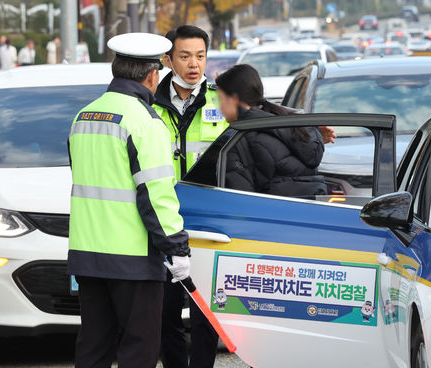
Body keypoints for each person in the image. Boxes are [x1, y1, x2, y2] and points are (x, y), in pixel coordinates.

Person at [68, 32, 190, 368]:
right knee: (139, 347)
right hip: (132, 258)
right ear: (153, 75)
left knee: (94, 344)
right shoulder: (145, 122)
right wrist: (176, 247)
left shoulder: (84, 116)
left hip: (88, 253)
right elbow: (156, 195)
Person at [153, 24, 225, 368]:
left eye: (200, 56)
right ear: (168, 59)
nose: (194, 64)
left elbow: (259, 113)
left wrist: (306, 128)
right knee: (165, 314)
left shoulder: (220, 99)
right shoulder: (150, 102)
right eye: (184, 56)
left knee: (205, 315)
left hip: (210, 225)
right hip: (163, 225)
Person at [216, 64, 329, 197]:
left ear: (234, 99)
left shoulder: (240, 138)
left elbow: (239, 199)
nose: (220, 107)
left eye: (220, 99)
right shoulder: (290, 126)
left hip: (271, 214)